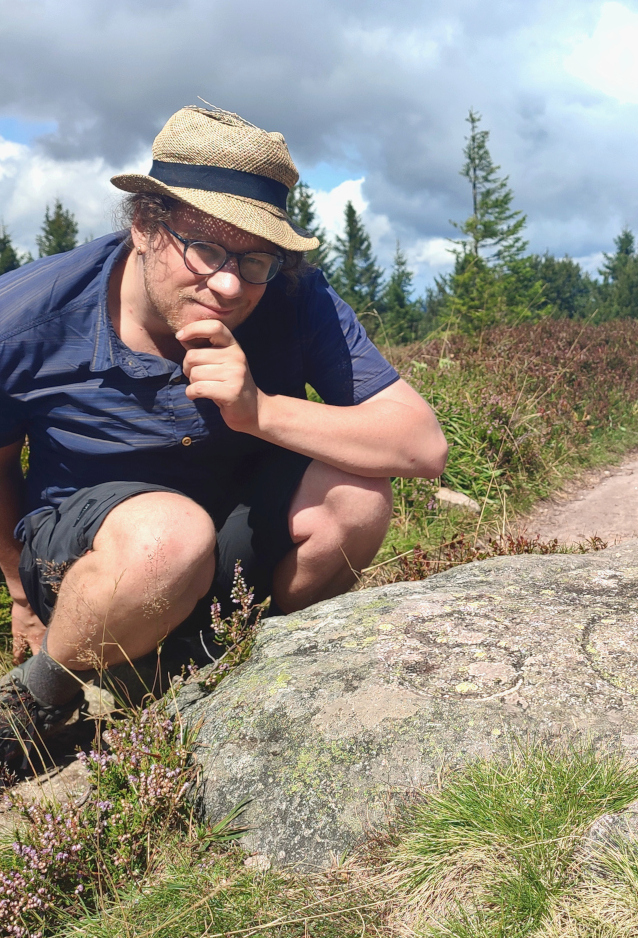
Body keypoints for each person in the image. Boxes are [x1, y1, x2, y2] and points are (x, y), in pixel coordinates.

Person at [0, 106, 448, 769]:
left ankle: (227, 672)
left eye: (258, 258)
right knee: (167, 539)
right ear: (147, 225)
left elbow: (421, 445)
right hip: (93, 558)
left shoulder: (298, 298)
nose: (232, 284)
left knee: (356, 500)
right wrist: (19, 596)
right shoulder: (28, 317)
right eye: (207, 249)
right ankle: (38, 701)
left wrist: (259, 411)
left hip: (232, 543)